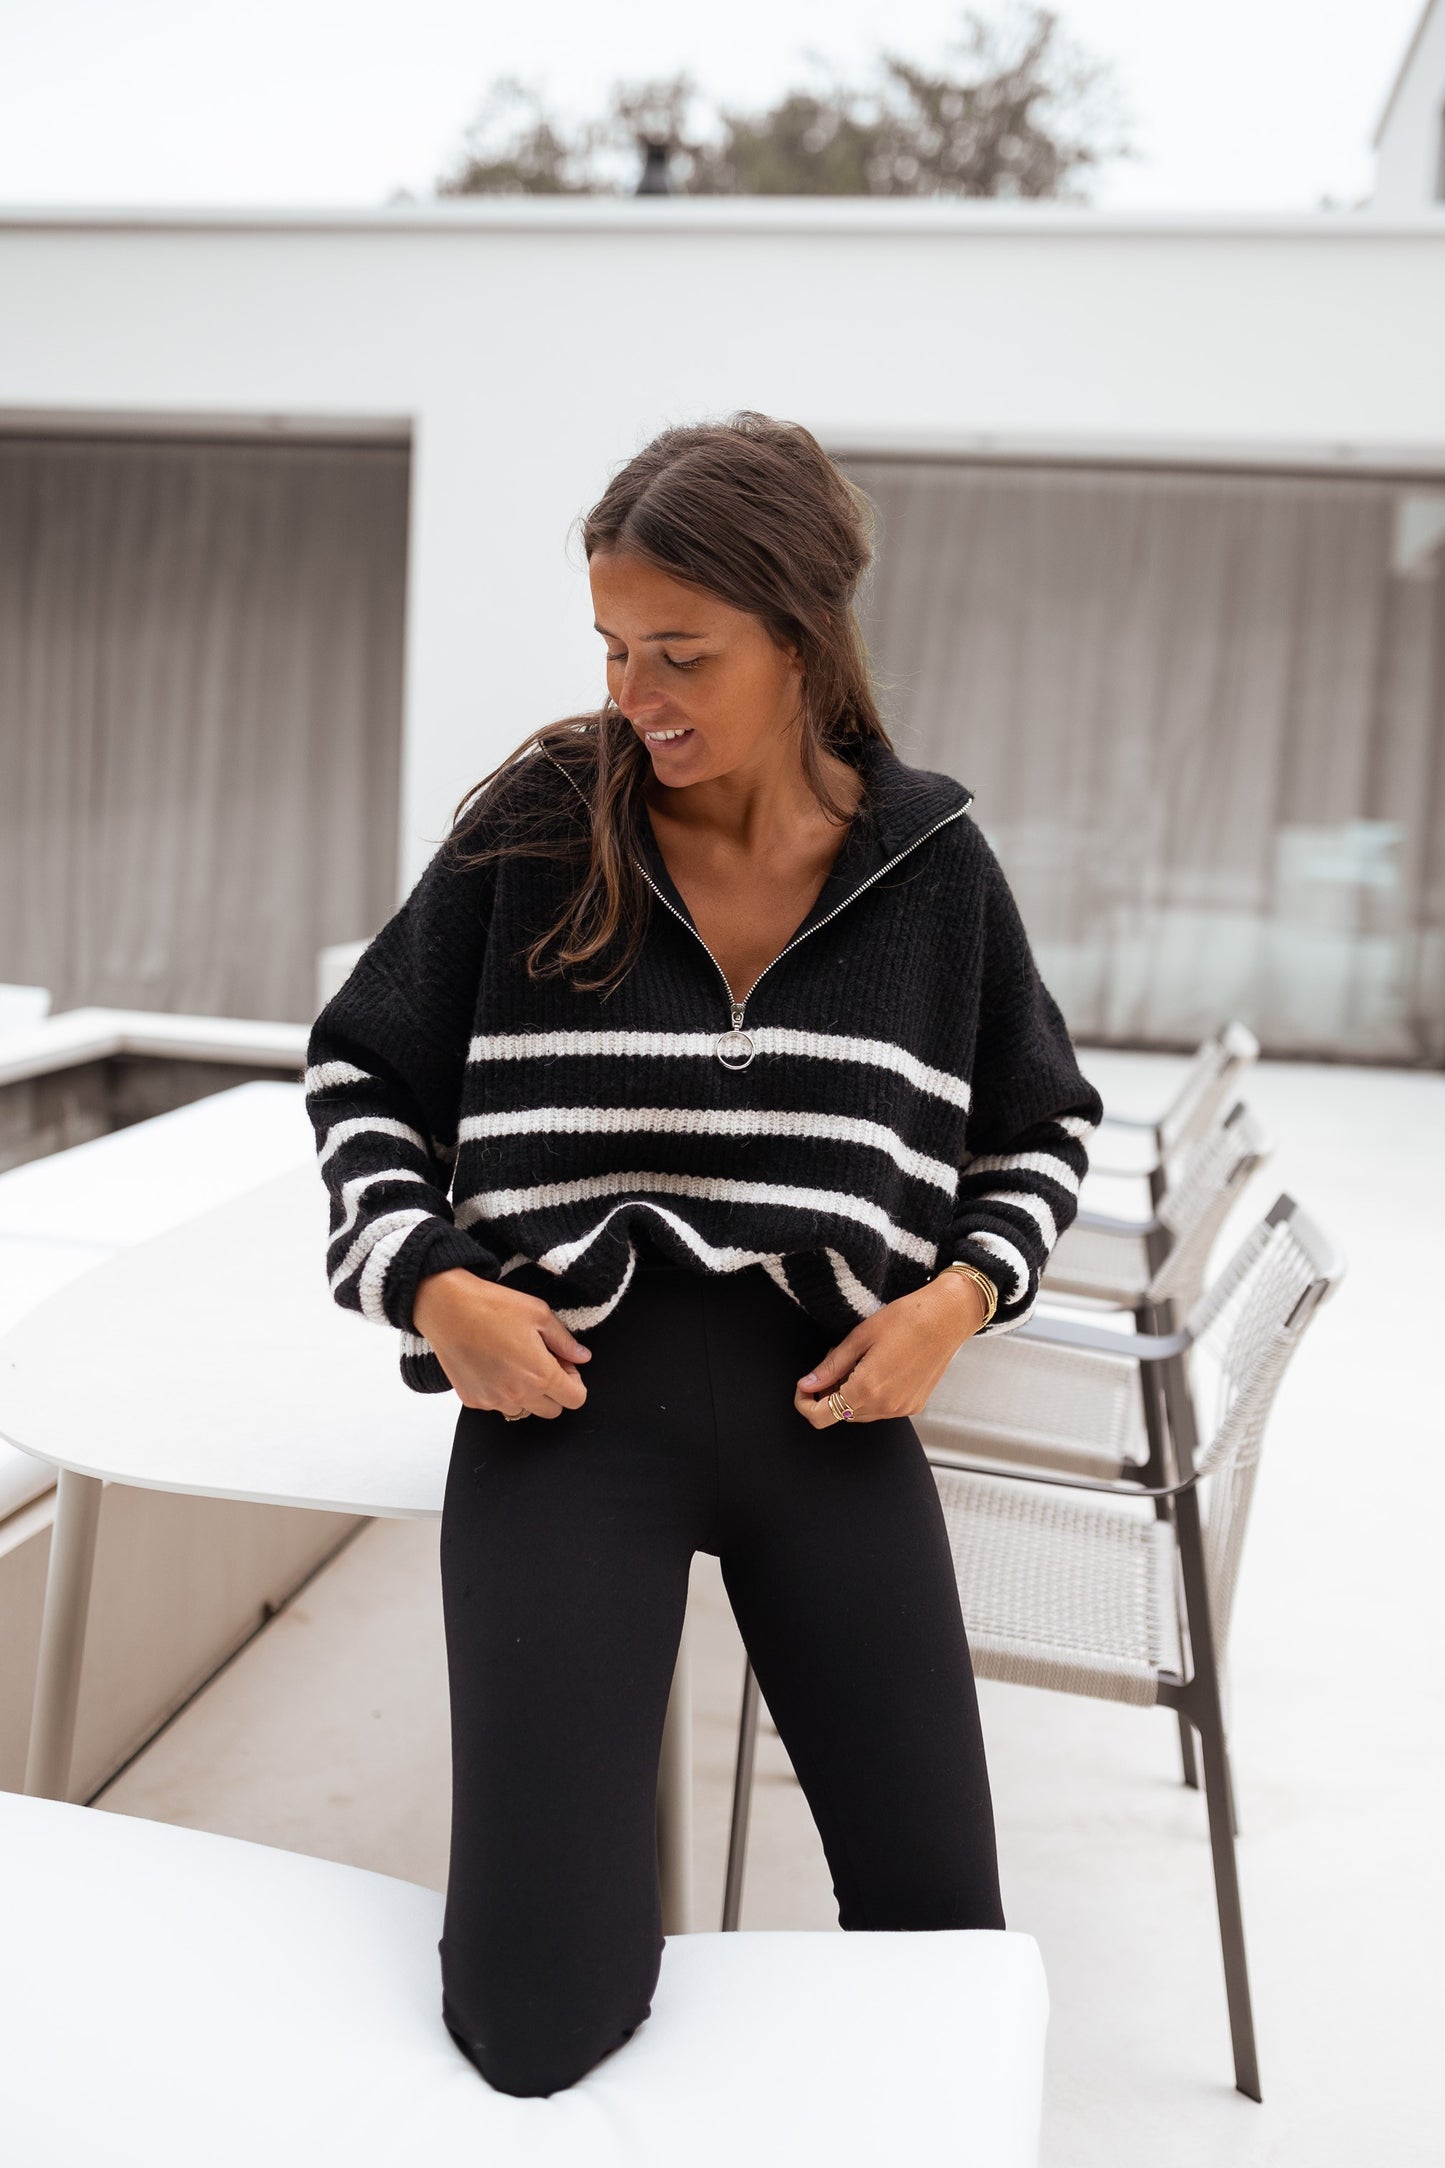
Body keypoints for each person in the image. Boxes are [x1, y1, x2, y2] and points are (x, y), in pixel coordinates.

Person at [304, 409, 1103, 2099]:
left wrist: (957, 1301)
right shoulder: (539, 829)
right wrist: (433, 1284)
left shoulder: (930, 867)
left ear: (799, 637)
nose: (635, 694)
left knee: (941, 1950)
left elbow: (1037, 1134)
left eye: (681, 653)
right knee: (533, 2023)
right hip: (561, 1418)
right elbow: (360, 1071)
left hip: (831, 1421)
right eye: (612, 647)